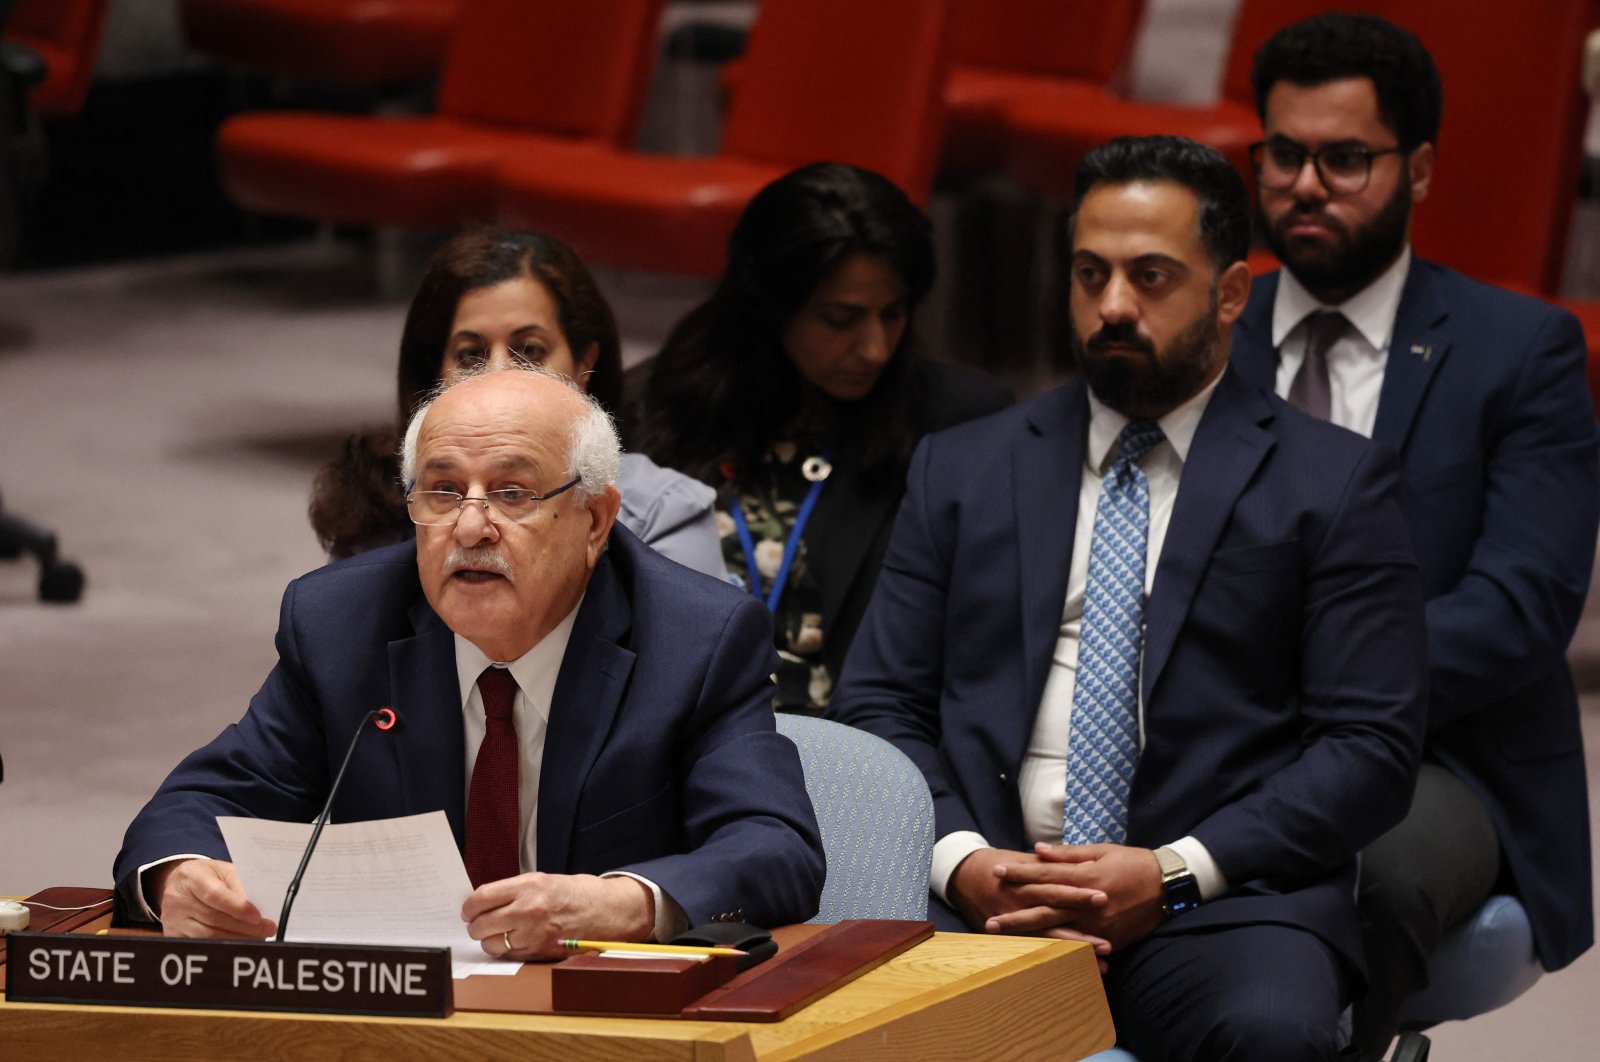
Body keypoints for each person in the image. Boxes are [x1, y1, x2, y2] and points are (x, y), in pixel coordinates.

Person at [831, 136, 1427, 1061]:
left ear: (1230, 293)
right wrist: (963, 862)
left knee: (1270, 1033)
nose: (1112, 305)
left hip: (1218, 906)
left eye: (1151, 276)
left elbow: (1369, 749)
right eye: (1089, 273)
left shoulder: (1331, 483)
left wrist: (1173, 874)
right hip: (981, 894)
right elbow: (881, 699)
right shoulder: (966, 467)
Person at [115, 366, 824, 956]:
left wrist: (622, 904)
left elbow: (774, 846)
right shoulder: (341, 624)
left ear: (596, 521)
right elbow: (192, 806)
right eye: (443, 490)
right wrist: (179, 876)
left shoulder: (695, 638)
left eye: (512, 493)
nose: (471, 525)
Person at [1230, 14, 1599, 1057]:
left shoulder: (1516, 351)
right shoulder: (1211, 338)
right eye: (1283, 155)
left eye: (1345, 159)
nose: (1306, 185)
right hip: (1220, 731)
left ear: (1419, 168)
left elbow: (1520, 607)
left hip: (1445, 751)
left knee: (1366, 875)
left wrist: (1316, 692)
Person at [630, 162, 1012, 714]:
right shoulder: (652, 411)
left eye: (893, 313)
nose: (875, 348)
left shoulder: (959, 425)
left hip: (866, 758)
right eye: (840, 319)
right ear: (770, 311)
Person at [309, 226, 726, 579]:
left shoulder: (659, 516)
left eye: (530, 349)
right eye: (470, 354)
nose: (499, 375)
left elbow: (692, 670)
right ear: (436, 374)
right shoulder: (378, 508)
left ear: (584, 365)